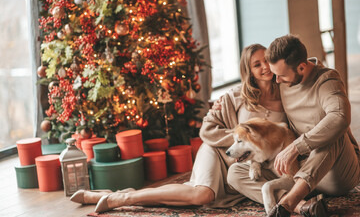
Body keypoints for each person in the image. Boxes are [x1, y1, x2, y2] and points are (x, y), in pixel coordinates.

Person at [70, 43, 287, 213]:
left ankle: (111, 195)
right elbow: (207, 131)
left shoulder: (285, 95)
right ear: (248, 70)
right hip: (218, 152)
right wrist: (242, 139)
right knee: (201, 195)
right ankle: (121, 198)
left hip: (245, 163)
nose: (265, 67)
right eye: (257, 64)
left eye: (266, 60)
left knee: (191, 194)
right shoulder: (235, 96)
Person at [227, 35, 360, 217]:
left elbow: (340, 117)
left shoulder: (328, 80)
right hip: (300, 170)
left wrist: (296, 147)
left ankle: (289, 203)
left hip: (336, 172)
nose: (277, 81)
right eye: (275, 75)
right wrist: (226, 99)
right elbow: (254, 84)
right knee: (236, 172)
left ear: (301, 67)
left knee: (333, 131)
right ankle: (303, 206)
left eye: (281, 75)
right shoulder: (284, 78)